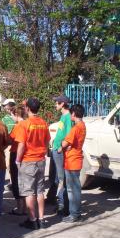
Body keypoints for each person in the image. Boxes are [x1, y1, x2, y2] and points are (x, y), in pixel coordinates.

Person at [15, 97, 50, 230]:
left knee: (29, 191)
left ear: (27, 108)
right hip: (40, 160)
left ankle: (32, 220)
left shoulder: (24, 124)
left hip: (28, 161)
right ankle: (41, 219)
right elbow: (47, 141)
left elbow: (22, 145)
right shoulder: (43, 123)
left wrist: (17, 160)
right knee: (40, 190)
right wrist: (43, 153)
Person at [61, 104, 86, 223]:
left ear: (74, 114)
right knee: (75, 189)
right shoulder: (82, 125)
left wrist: (63, 144)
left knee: (72, 190)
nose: (71, 115)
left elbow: (65, 143)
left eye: (71, 113)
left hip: (72, 161)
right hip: (76, 159)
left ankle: (74, 214)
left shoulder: (76, 128)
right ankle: (76, 213)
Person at [51, 95, 72, 215]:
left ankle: (62, 204)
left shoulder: (68, 117)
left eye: (57, 103)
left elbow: (69, 135)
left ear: (62, 104)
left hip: (59, 151)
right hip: (56, 149)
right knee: (58, 178)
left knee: (61, 179)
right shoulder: (63, 116)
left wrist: (60, 147)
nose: (55, 105)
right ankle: (60, 202)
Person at [8, 105, 27, 215]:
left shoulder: (18, 126)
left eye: (12, 115)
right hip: (27, 155)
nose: (11, 117)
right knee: (24, 181)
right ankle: (25, 207)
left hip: (16, 154)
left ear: (16, 114)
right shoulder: (28, 124)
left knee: (16, 180)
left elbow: (10, 140)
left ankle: (20, 208)